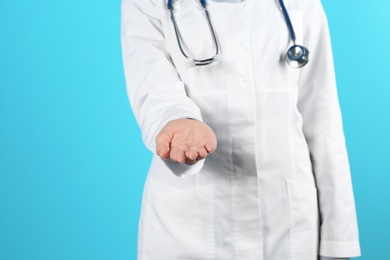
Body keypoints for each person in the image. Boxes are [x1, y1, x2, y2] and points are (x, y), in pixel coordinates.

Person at [121, 0, 361, 259]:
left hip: (286, 223)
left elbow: (323, 119)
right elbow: (153, 87)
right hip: (189, 226)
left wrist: (339, 241)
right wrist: (178, 120)